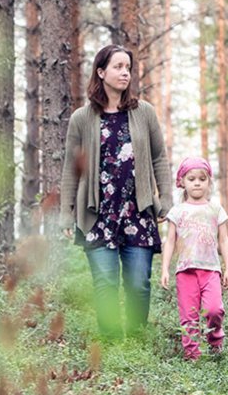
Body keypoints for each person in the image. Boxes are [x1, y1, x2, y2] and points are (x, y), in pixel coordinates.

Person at [61, 45, 173, 339]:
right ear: (101, 72)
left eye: (128, 68)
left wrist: (167, 201)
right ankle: (111, 347)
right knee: (105, 284)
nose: (125, 73)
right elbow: (73, 169)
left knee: (138, 284)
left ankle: (136, 344)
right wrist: (65, 214)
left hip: (138, 214)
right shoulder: (81, 118)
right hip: (98, 216)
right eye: (118, 67)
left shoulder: (143, 112)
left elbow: (159, 157)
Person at [160, 157, 228, 360]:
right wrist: (165, 268)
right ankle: (193, 358)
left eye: (202, 178)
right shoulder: (177, 211)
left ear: (209, 181)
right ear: (182, 181)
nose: (197, 182)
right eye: (191, 178)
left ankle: (215, 341)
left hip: (210, 270)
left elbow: (224, 240)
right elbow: (170, 241)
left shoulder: (215, 209)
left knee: (214, 309)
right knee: (189, 317)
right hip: (185, 271)